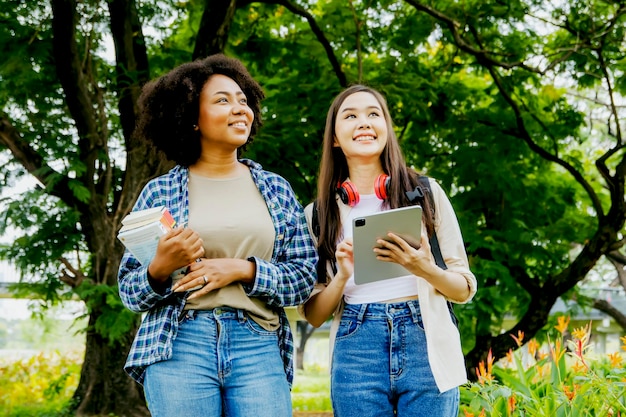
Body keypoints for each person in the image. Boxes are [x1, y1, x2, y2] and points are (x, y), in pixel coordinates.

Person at [117, 54, 317, 417]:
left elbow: (304, 277)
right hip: (180, 344)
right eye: (223, 100)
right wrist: (159, 267)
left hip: (257, 341)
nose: (240, 109)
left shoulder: (276, 189)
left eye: (243, 100)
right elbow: (130, 291)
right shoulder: (159, 192)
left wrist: (243, 270)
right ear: (192, 119)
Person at [299, 85, 477, 416]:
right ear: (335, 139)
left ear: (386, 130)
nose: (363, 122)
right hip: (356, 343)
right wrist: (341, 277)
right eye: (350, 116)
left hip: (426, 337)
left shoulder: (426, 193)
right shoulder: (319, 214)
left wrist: (424, 268)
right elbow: (313, 314)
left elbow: (464, 288)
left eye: (373, 114)